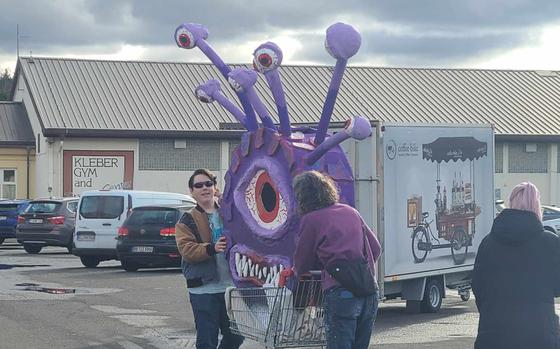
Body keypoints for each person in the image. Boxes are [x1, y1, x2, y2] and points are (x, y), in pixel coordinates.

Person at [292, 170, 382, 349]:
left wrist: (300, 273)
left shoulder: (311, 220)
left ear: (303, 197)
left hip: (340, 293)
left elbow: (302, 263)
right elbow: (376, 249)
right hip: (369, 292)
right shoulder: (350, 212)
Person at [472, 181, 560, 349]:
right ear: (537, 205)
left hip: (493, 334)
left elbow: (478, 286)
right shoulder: (550, 243)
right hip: (538, 334)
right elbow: (557, 287)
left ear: (511, 204)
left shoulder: (488, 243)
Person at [175, 168, 244, 349]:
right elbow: (187, 250)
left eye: (208, 184)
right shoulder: (186, 220)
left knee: (237, 336)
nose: (204, 188)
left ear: (215, 187)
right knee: (207, 341)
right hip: (203, 290)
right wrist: (211, 248)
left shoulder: (229, 213)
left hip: (230, 288)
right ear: (192, 191)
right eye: (198, 185)